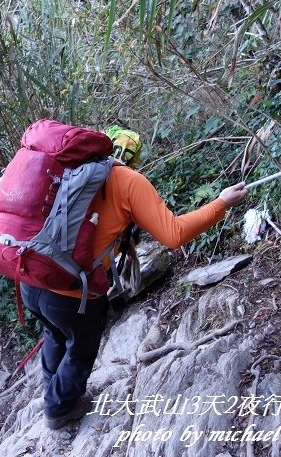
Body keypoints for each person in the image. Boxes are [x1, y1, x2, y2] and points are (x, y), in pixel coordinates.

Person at [20, 126, 249, 430]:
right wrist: (221, 203)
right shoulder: (128, 181)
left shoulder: (65, 169)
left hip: (29, 275)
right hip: (71, 291)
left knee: (54, 334)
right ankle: (59, 409)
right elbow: (174, 234)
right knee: (81, 346)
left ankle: (55, 392)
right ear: (134, 157)